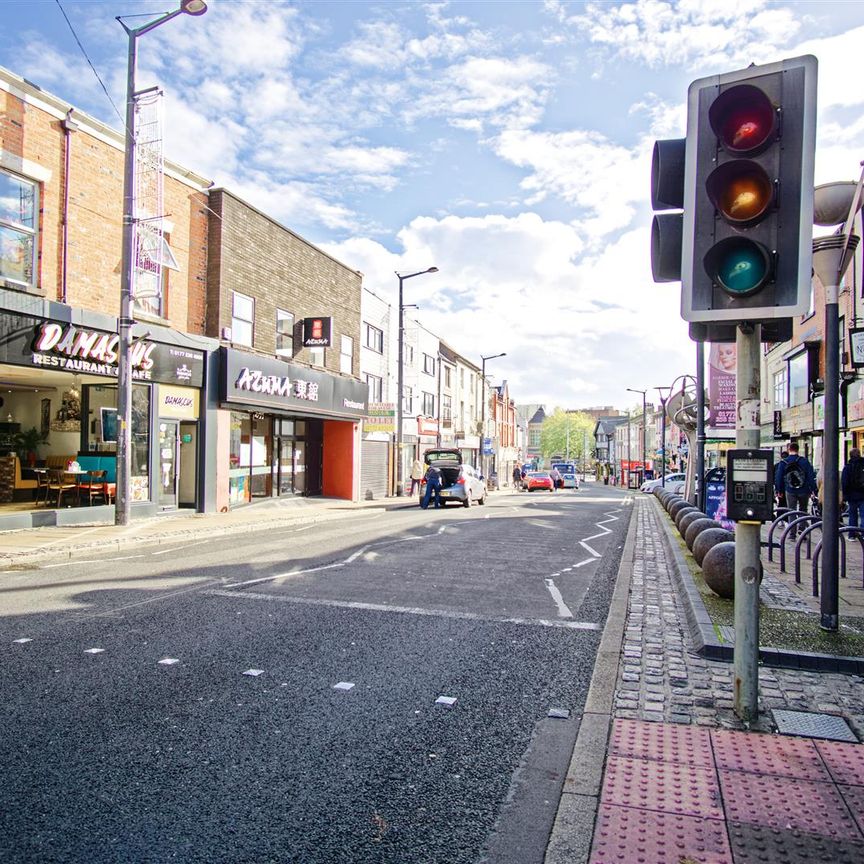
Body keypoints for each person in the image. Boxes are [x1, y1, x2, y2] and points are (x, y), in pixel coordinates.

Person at [775, 443, 816, 529]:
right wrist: (813, 489)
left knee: (791, 510)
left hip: (789, 490)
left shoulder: (783, 462)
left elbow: (779, 477)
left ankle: (792, 532)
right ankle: (802, 528)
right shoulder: (804, 461)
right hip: (804, 490)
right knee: (803, 509)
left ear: (789, 450)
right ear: (797, 450)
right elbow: (810, 476)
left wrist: (779, 490)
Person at [841, 448, 864, 529]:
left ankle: (852, 534)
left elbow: (844, 482)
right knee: (863, 515)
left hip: (852, 496)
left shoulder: (847, 467)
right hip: (862, 495)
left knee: (852, 515)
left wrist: (844, 496)